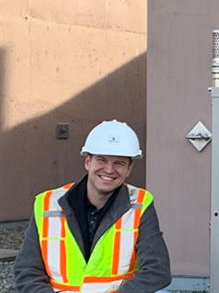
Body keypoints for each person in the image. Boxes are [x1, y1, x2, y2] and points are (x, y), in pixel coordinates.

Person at [14, 120, 172, 292]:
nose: (109, 170)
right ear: (88, 162)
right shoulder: (47, 203)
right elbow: (27, 272)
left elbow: (158, 271)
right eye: (101, 160)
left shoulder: (140, 203)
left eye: (118, 163)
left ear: (129, 169)